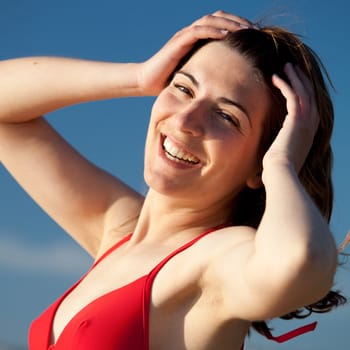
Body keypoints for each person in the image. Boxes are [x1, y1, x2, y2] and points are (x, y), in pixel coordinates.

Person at [0, 10, 346, 350]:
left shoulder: (215, 261)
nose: (185, 121)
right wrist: (139, 77)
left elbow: (301, 261)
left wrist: (281, 163)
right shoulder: (117, 231)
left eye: (226, 116)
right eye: (183, 88)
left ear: (259, 166)